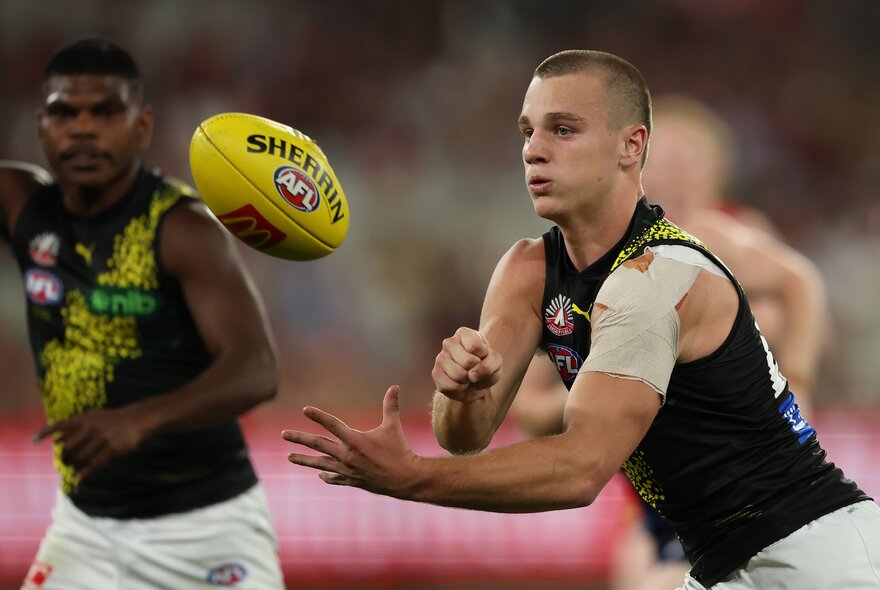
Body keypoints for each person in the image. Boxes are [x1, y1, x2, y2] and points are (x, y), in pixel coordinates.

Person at [282, 50, 880, 589]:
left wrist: (412, 476)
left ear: (631, 146)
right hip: (728, 561)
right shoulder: (528, 271)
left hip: (814, 555)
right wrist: (460, 391)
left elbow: (580, 470)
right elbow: (463, 436)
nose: (533, 149)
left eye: (563, 130)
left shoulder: (658, 275)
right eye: (528, 131)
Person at [507, 94, 832, 590]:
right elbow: (532, 410)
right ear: (630, 162)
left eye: (690, 161)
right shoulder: (579, 263)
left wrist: (799, 380)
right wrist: (619, 380)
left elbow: (801, 286)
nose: (677, 176)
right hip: (655, 485)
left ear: (717, 174)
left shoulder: (721, 238)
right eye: (667, 160)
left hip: (737, 472)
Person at [0, 39, 285, 589]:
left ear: (142, 126)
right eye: (65, 112)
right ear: (40, 126)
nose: (83, 129)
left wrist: (139, 420)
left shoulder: (182, 229)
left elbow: (257, 368)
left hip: (207, 527)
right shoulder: (21, 205)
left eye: (105, 112)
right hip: (85, 527)